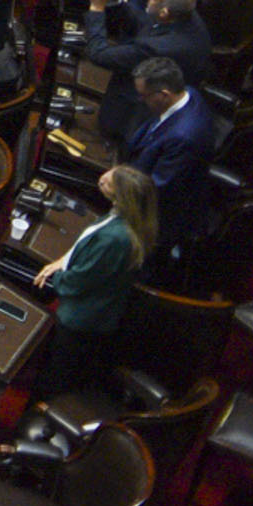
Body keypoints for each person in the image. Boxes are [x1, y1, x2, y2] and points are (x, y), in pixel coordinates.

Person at [33, 165, 157, 395]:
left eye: (109, 182)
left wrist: (57, 276)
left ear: (121, 197)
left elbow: (78, 282)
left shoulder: (114, 239)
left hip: (80, 321)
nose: (102, 179)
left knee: (55, 377)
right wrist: (62, 260)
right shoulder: (125, 219)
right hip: (95, 307)